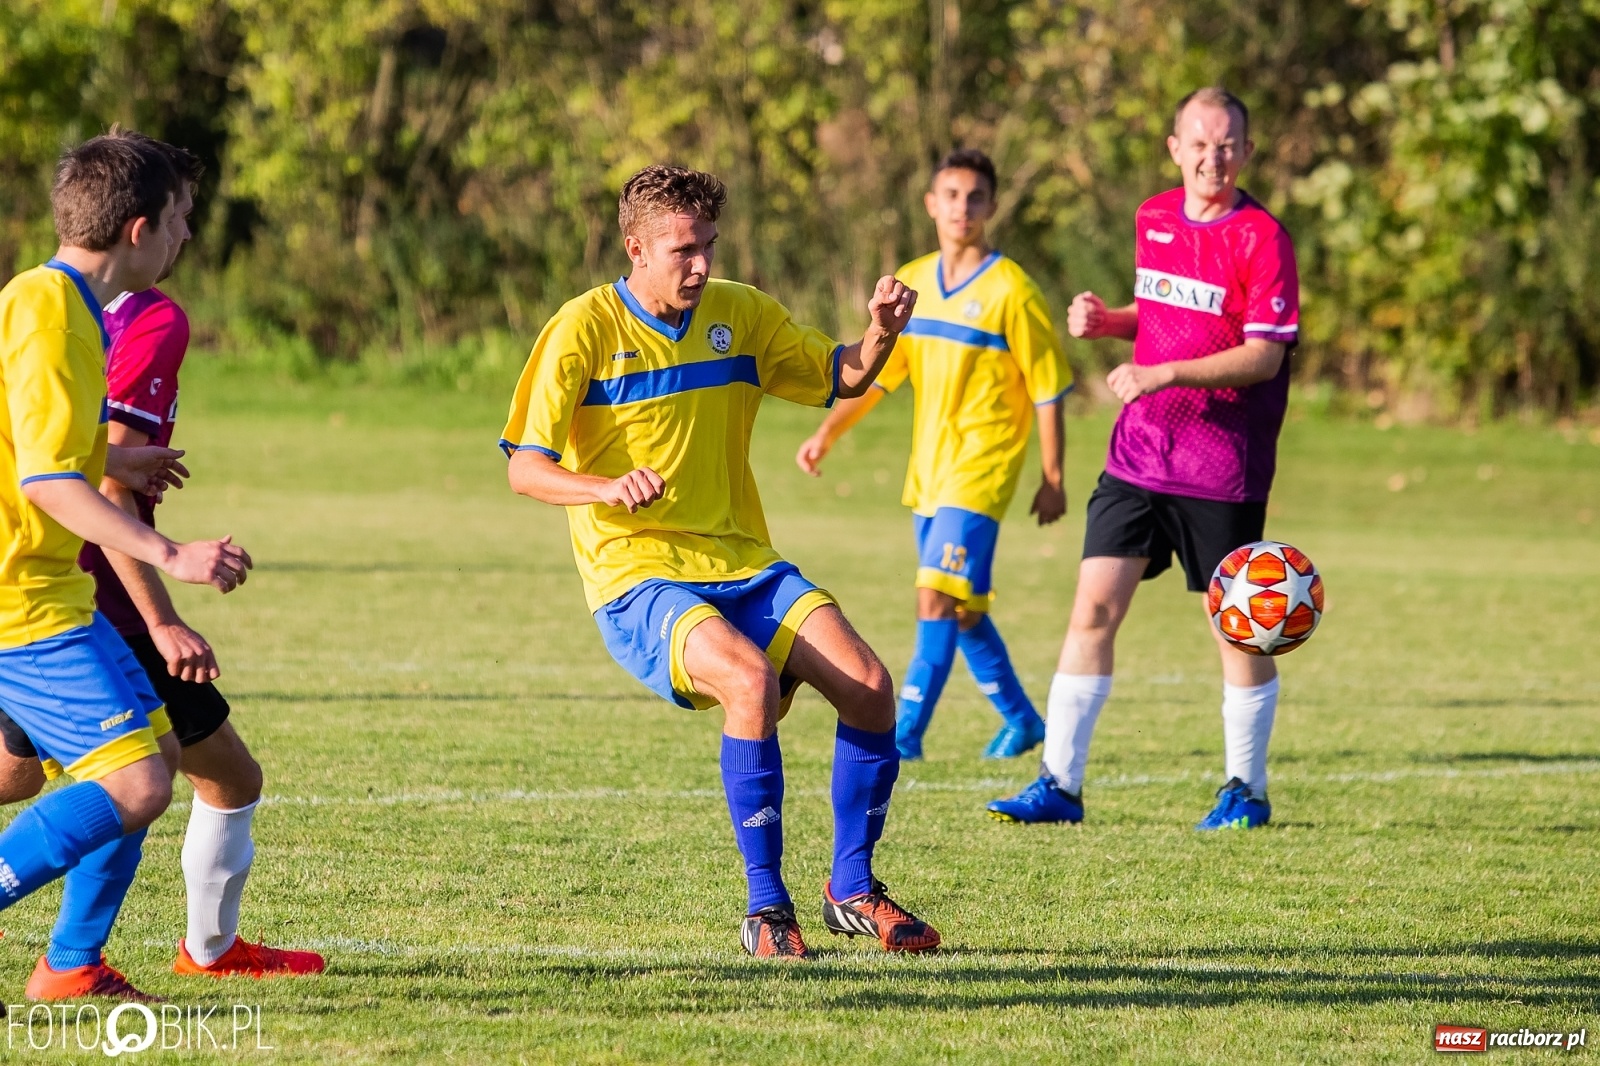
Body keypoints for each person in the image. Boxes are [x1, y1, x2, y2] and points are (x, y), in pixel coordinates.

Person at [501, 164, 940, 958]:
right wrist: (603, 484)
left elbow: (837, 374)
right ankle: (767, 909)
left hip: (744, 561)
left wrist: (880, 331)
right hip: (637, 572)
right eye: (681, 250)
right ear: (634, 248)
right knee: (749, 681)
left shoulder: (739, 312)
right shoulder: (582, 328)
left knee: (873, 690)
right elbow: (523, 466)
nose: (701, 266)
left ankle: (853, 888)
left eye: (708, 245)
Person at [0, 132, 323, 980]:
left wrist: (112, 461)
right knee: (137, 784)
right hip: (18, 600)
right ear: (139, 229)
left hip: (54, 590)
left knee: (152, 756)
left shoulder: (58, 302)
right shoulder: (49, 315)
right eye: (180, 219)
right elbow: (42, 483)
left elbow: (31, 446)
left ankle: (71, 964)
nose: (186, 237)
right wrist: (170, 554)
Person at [987, 87, 1300, 830]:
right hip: (1138, 457)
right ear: (1174, 147)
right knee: (1092, 607)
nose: (1211, 157)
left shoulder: (1262, 237)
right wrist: (1110, 324)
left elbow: (1262, 355)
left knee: (1235, 626)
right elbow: (1166, 318)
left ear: (1247, 153)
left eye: (1226, 145)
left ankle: (1245, 791)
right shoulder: (1153, 217)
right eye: (1198, 142)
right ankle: (1059, 786)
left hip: (1221, 465)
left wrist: (1162, 374)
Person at [795, 149, 1072, 762]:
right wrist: (828, 433)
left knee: (934, 600)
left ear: (992, 207)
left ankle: (903, 736)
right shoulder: (914, 282)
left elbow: (1049, 389)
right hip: (930, 471)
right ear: (931, 203)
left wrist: (1053, 477)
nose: (962, 208)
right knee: (963, 609)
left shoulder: (1012, 291)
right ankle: (1022, 721)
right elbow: (879, 375)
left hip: (983, 469)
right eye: (951, 195)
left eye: (975, 197)